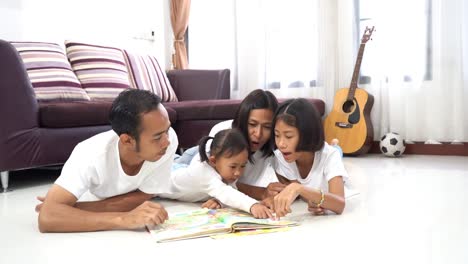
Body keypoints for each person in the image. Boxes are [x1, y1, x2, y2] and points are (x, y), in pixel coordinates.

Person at [36, 90, 178, 232]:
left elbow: (145, 195)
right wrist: (122, 219)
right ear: (127, 140)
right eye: (157, 137)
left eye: (167, 129)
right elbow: (47, 217)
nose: (167, 142)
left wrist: (71, 209)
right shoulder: (89, 154)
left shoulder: (169, 138)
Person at [160, 128, 273, 219]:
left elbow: (230, 189)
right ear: (213, 161)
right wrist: (253, 205)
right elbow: (227, 192)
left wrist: (218, 201)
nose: (238, 172)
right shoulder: (203, 173)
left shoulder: (224, 168)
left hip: (183, 168)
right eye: (233, 166)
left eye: (243, 166)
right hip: (166, 176)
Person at [270, 98, 348, 217]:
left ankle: (335, 145)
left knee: (336, 151)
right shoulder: (282, 156)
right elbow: (299, 194)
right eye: (277, 135)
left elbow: (339, 204)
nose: (281, 144)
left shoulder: (329, 156)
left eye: (289, 136)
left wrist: (299, 188)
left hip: (329, 153)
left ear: (308, 134)